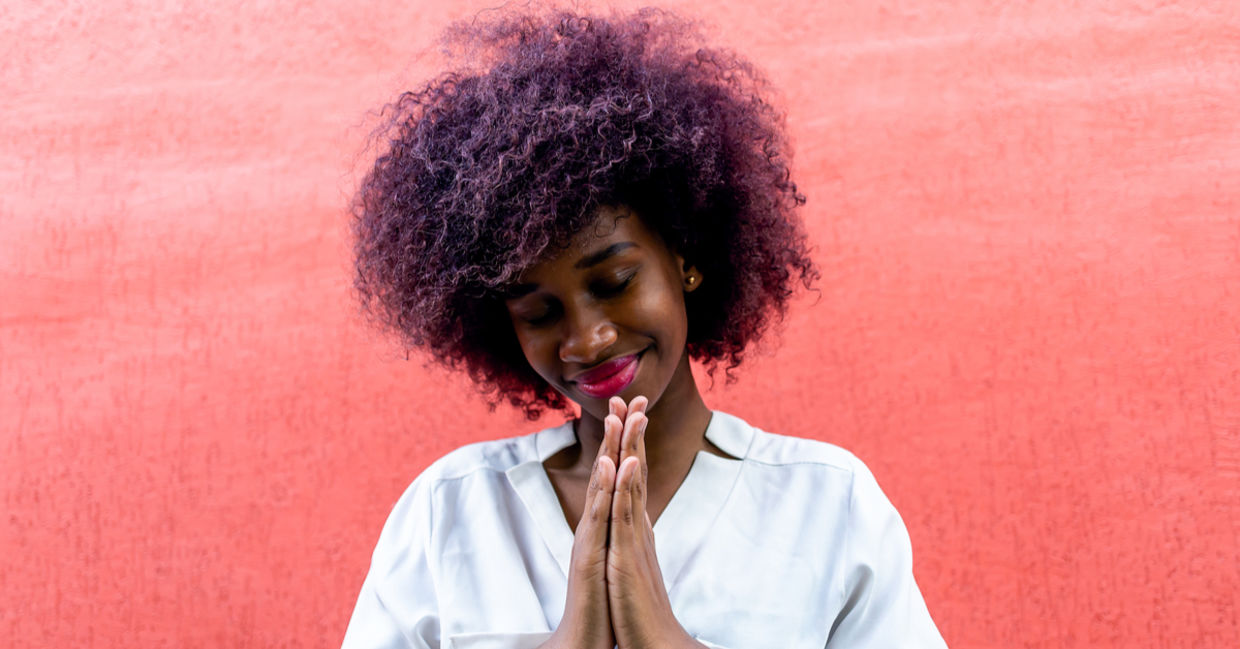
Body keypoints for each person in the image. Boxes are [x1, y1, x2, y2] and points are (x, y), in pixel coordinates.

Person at [342, 8, 947, 649]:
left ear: (685, 257)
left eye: (615, 282)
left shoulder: (828, 506)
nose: (587, 339)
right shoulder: (450, 514)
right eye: (540, 312)